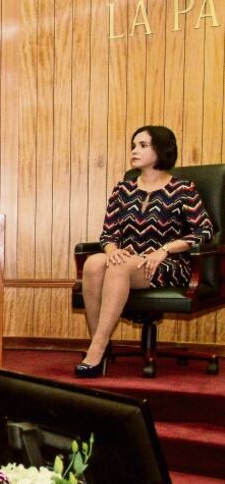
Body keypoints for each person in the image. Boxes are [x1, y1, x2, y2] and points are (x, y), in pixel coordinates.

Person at [77, 125, 214, 378]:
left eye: (142, 145)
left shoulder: (184, 190)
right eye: (133, 145)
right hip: (127, 259)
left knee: (118, 267)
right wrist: (111, 250)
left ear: (161, 150)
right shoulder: (123, 190)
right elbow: (108, 234)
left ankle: (95, 350)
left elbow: (204, 231)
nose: (134, 150)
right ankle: (102, 343)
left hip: (167, 263)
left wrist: (164, 250)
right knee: (94, 263)